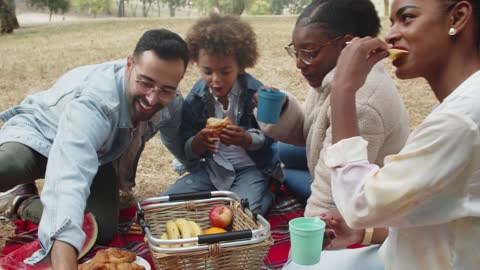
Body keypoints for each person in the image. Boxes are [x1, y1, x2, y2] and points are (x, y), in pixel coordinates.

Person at [0, 29, 189, 268]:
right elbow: (69, 179)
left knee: (101, 228)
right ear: (129, 65)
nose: (153, 99)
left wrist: (195, 161)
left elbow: (175, 139)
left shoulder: (172, 101)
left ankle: (21, 201)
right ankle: (18, 179)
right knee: (8, 166)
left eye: (166, 89)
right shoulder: (98, 102)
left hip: (97, 156)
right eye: (145, 83)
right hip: (39, 137)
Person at [324, 0, 480, 269]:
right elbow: (450, 212)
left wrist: (342, 88)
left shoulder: (462, 118)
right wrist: (365, 233)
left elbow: (360, 204)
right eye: (391, 23)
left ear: (457, 18)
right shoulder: (464, 104)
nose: (390, 35)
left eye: (407, 18)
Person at [258, 0, 408, 240]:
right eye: (296, 51)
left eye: (309, 52)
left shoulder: (362, 101)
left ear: (347, 45)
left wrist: (308, 243)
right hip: (336, 170)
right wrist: (283, 108)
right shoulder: (330, 76)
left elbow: (331, 197)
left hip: (359, 201)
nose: (298, 63)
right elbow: (310, 129)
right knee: (282, 153)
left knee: (279, 169)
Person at [162, 13, 283, 215]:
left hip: (250, 169)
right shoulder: (197, 97)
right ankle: (240, 197)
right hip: (212, 170)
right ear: (197, 65)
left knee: (242, 215)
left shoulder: (254, 93)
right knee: (168, 203)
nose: (216, 80)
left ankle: (266, 193)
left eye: (225, 72)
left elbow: (271, 136)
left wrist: (246, 138)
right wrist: (197, 143)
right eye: (207, 71)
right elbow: (186, 140)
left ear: (241, 66)